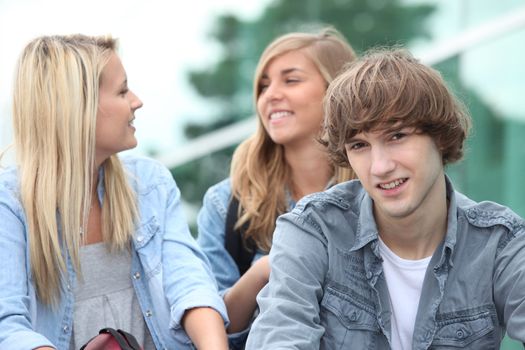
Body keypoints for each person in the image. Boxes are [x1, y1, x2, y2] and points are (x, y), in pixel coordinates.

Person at [246, 49, 525, 349]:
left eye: (397, 136)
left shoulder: (500, 243)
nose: (380, 167)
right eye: (359, 145)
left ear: (440, 138)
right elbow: (281, 335)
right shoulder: (314, 229)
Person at [0, 34, 229, 350]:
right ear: (78, 107)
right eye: (122, 91)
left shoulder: (151, 183)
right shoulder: (9, 205)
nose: (137, 101)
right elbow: (7, 328)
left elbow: (190, 284)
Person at [197, 27, 356, 347]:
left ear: (336, 89)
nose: (270, 95)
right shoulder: (225, 202)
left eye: (291, 80)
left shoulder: (374, 190)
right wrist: (269, 267)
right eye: (264, 85)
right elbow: (213, 325)